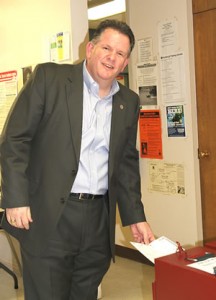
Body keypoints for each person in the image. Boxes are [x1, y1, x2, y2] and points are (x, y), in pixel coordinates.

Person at [0, 19, 154, 300]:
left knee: (85, 294)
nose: (112, 57)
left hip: (97, 219)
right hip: (49, 215)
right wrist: (15, 199)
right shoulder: (51, 79)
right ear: (91, 48)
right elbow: (15, 139)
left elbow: (125, 164)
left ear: (126, 62)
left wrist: (136, 217)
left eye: (120, 53)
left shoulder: (128, 102)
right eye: (107, 48)